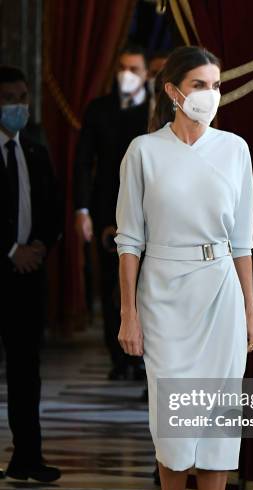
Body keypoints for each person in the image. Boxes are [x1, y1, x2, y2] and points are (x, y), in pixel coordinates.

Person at [115, 46, 253, 490]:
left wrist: (249, 310)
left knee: (219, 424)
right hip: (162, 295)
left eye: (218, 84)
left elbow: (243, 240)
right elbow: (129, 240)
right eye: (200, 83)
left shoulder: (236, 150)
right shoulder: (143, 152)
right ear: (173, 90)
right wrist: (129, 311)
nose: (211, 94)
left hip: (220, 290)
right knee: (174, 423)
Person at [74, 42, 150, 381]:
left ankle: (144, 358)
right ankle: (118, 358)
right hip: (109, 210)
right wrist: (83, 209)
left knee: (146, 286)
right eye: (122, 67)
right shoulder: (98, 109)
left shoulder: (156, 110)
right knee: (112, 285)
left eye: (134, 69)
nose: (127, 75)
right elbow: (82, 163)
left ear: (146, 74)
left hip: (150, 211)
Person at [0, 65, 61, 482]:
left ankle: (27, 457)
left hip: (27, 279)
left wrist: (39, 245)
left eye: (23, 97)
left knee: (26, 369)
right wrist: (10, 250)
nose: (19, 105)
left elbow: (52, 207)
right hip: (1, 268)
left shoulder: (35, 151)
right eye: (9, 98)